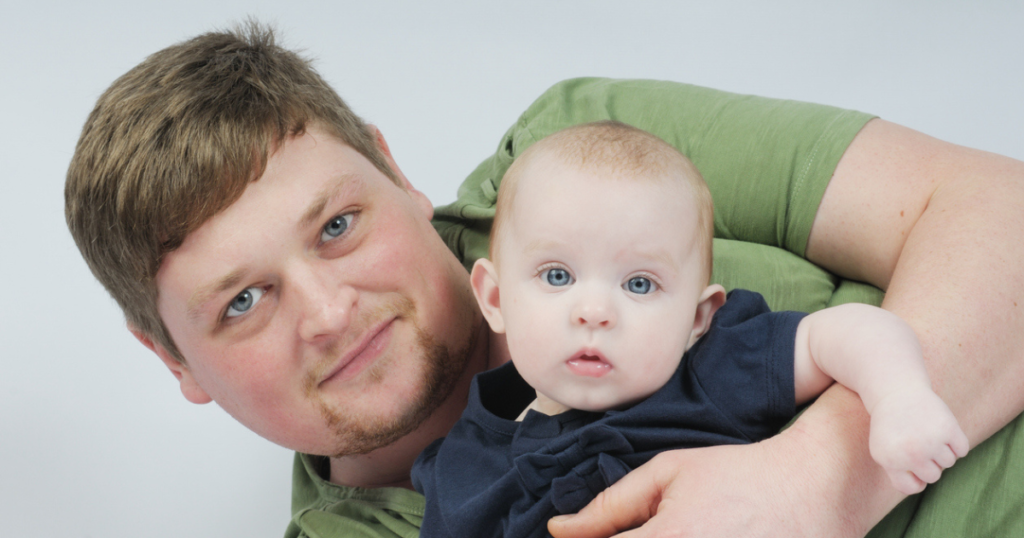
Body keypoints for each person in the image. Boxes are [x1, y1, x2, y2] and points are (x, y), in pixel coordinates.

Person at [63, 22, 1024, 538]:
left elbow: (1001, 211)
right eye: (242, 302)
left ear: (395, 170)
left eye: (338, 226)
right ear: (174, 360)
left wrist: (815, 486)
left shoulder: (584, 150)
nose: (326, 313)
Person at [410, 121, 968, 538]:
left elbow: (844, 332)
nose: (594, 311)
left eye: (639, 284)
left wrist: (899, 397)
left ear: (697, 319)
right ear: (496, 298)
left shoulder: (714, 371)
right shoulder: (461, 470)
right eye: (558, 275)